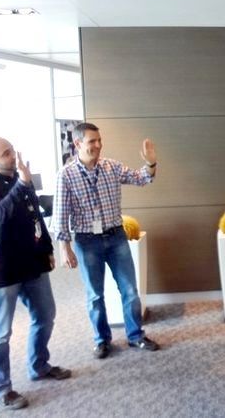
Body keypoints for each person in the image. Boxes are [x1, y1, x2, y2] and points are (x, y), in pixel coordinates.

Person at [0, 136, 71, 411]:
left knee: (46, 316)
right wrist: (22, 185)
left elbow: (34, 217)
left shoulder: (19, 179)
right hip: (1, 271)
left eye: (12, 149)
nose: (13, 155)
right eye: (5, 153)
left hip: (33, 264)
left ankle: (39, 365)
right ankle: (1, 389)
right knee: (0, 333)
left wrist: (48, 248)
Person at [53, 122, 159, 359]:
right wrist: (64, 247)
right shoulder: (66, 175)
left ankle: (136, 335)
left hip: (116, 237)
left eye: (99, 140)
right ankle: (102, 340)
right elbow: (60, 213)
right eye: (92, 141)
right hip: (86, 241)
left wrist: (151, 163)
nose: (98, 145)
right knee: (95, 295)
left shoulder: (111, 166)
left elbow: (141, 178)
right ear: (78, 143)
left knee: (129, 290)